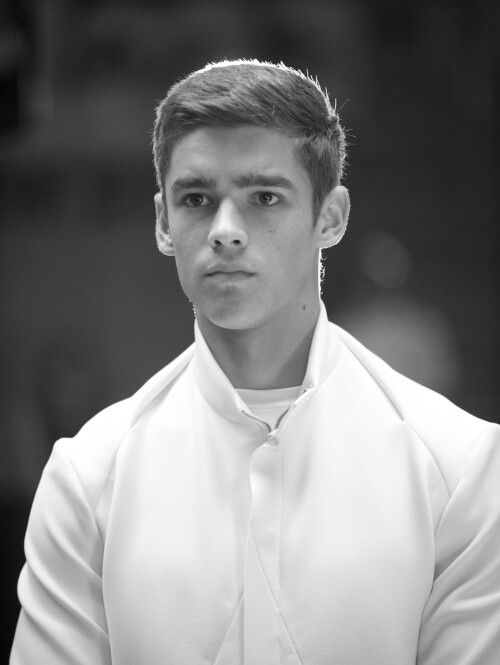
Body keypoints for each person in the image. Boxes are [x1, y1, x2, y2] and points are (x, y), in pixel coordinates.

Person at [10, 59, 500, 665]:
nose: (226, 230)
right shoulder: (88, 478)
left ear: (331, 217)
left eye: (264, 197)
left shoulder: (458, 469)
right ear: (164, 222)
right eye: (196, 199)